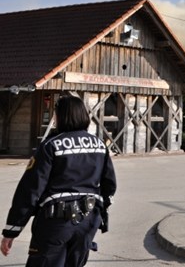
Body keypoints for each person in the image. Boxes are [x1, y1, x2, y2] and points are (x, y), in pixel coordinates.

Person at [1, 95, 117, 266]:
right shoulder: (99, 145)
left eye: (55, 114)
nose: (54, 118)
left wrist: (12, 230)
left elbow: (31, 190)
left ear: (63, 116)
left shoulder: (51, 145)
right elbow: (109, 185)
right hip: (87, 223)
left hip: (55, 224)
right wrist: (98, 214)